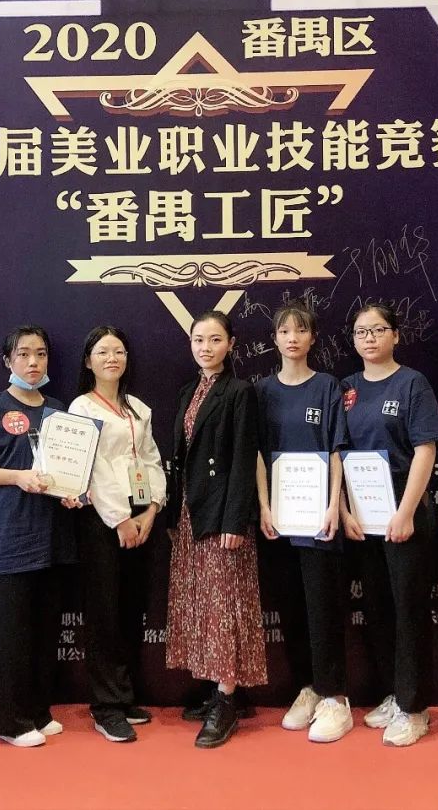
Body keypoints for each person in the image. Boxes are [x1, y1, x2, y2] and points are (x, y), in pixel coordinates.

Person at [0, 326, 74, 748]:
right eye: (23, 354)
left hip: (53, 538)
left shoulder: (58, 410)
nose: (33, 362)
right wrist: (17, 477)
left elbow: (67, 470)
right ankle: (9, 721)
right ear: (8, 361)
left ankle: (38, 711)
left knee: (44, 631)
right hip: (11, 539)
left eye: (40, 353)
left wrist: (73, 491)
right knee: (13, 635)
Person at [339, 302, 438, 747]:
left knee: (408, 609)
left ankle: (415, 708)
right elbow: (337, 453)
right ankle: (393, 694)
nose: (369, 338)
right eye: (361, 332)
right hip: (361, 513)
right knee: (378, 607)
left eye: (378, 330)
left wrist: (404, 512)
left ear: (395, 335)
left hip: (404, 510)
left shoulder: (412, 384)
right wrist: (344, 510)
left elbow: (426, 450)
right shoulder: (347, 388)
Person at [165, 310, 266, 749]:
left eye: (215, 340)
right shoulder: (189, 391)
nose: (205, 348)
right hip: (191, 511)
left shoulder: (240, 392)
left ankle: (226, 700)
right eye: (198, 340)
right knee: (203, 603)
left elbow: (244, 457)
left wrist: (235, 519)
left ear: (231, 344)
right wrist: (174, 515)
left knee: (225, 603)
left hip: (222, 514)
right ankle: (222, 690)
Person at [255, 301, 352, 744]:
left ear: (313, 338)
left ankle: (335, 697)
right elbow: (258, 454)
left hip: (318, 520)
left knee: (323, 608)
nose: (292, 338)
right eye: (284, 331)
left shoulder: (328, 386)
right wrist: (263, 506)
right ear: (274, 339)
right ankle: (308, 688)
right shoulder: (262, 391)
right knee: (291, 607)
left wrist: (334, 505)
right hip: (279, 519)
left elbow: (336, 450)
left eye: (300, 330)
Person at [68, 326, 166, 743]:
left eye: (119, 351)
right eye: (103, 352)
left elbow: (152, 459)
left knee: (130, 607)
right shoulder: (81, 408)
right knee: (104, 612)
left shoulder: (137, 408)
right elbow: (91, 469)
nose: (112, 358)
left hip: (140, 518)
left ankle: (124, 696)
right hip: (102, 521)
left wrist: (152, 509)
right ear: (88, 361)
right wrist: (121, 519)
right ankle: (105, 706)